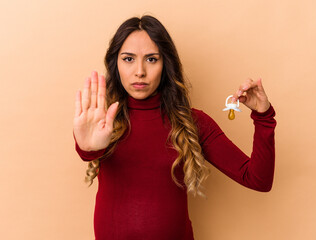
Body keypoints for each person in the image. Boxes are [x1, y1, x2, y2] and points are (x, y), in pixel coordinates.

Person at [73, 15, 276, 240]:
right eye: (128, 59)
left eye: (151, 59)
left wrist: (263, 116)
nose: (139, 71)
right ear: (116, 64)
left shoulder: (192, 123)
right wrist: (87, 148)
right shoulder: (102, 122)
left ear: (165, 64)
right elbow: (88, 148)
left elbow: (258, 179)